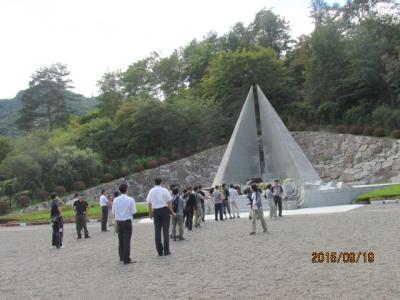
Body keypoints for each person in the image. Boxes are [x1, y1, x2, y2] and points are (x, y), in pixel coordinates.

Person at [147, 177, 175, 256]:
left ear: (154, 182)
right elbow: (169, 202)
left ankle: (159, 251)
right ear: (161, 182)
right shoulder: (165, 190)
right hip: (164, 211)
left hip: (155, 211)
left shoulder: (151, 191)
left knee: (157, 232)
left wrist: (150, 213)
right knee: (165, 231)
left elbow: (149, 203)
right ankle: (166, 250)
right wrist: (172, 212)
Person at [112, 183, 136, 265]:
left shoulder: (115, 200)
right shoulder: (131, 199)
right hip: (127, 221)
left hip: (119, 222)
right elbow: (134, 211)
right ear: (126, 189)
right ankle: (127, 259)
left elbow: (113, 212)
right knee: (127, 240)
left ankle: (121, 256)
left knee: (121, 240)